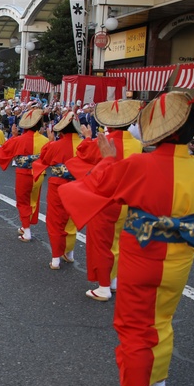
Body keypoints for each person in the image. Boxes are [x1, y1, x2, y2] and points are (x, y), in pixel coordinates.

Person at [60, 92, 194, 386]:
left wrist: (110, 159)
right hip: (180, 256)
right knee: (163, 320)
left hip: (143, 252)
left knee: (134, 324)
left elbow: (100, 185)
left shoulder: (140, 163)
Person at [68, 100, 143, 301]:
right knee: (117, 241)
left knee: (101, 243)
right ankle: (113, 279)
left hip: (106, 200)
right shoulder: (137, 144)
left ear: (108, 123)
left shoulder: (105, 140)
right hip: (127, 200)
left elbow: (83, 153)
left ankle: (103, 287)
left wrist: (87, 138)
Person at [32, 111, 83, 269]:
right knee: (72, 218)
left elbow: (45, 160)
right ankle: (70, 252)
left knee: (55, 220)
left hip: (58, 185)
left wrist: (50, 142)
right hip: (78, 185)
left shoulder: (55, 145)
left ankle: (55, 258)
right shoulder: (84, 144)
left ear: (61, 130)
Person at [0, 107, 48, 241]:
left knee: (23, 201)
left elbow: (3, 150)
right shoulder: (46, 141)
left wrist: (14, 136)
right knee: (33, 200)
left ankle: (27, 230)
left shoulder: (18, 140)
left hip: (24, 173)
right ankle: (26, 225)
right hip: (39, 174)